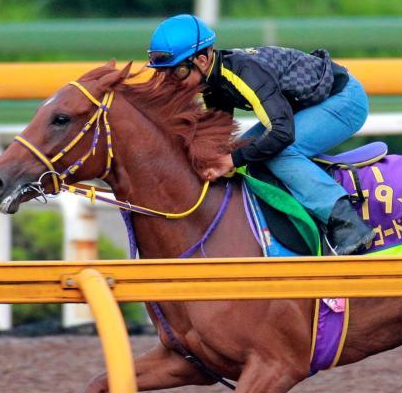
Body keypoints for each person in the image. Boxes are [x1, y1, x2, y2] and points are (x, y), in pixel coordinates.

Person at [147, 13, 376, 256]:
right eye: (165, 74)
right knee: (240, 149)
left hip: (344, 101)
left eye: (178, 72)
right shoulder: (213, 82)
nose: (172, 82)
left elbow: (281, 134)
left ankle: (346, 222)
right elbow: (219, 141)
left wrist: (230, 161)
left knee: (280, 152)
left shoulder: (244, 73)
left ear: (202, 60)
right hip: (306, 105)